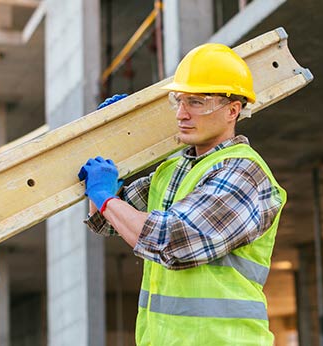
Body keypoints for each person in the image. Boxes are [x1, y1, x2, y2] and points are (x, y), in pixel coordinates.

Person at [78, 43, 287, 345]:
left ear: (233, 110)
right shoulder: (176, 167)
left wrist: (106, 198)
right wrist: (113, 144)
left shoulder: (243, 172)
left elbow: (171, 240)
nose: (181, 114)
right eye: (179, 100)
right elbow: (111, 221)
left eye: (197, 103)